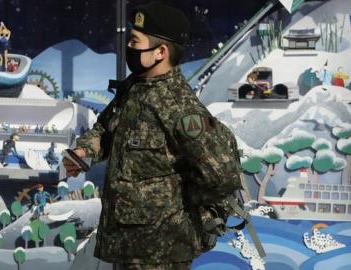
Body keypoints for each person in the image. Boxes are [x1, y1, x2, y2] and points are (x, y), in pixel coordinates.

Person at [63, 2, 242, 270]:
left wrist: (177, 206)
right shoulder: (135, 89)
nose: (129, 48)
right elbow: (105, 129)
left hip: (163, 251)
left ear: (160, 52)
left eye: (136, 41)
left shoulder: (180, 108)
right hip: (129, 245)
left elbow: (222, 176)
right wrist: (84, 152)